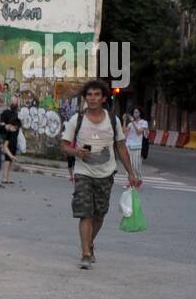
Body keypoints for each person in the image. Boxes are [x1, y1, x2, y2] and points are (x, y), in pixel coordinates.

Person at [60, 81, 142, 269]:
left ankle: (89, 242)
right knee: (85, 213)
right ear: (85, 98)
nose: (93, 98)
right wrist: (76, 152)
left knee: (99, 214)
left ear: (104, 98)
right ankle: (85, 253)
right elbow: (63, 145)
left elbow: (121, 146)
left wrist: (131, 172)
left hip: (106, 174)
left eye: (97, 94)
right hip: (83, 173)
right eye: (89, 95)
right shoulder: (76, 120)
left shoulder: (113, 121)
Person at [0, 109, 20, 185]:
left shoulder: (16, 130)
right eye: (15, 127)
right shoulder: (8, 131)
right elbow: (5, 145)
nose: (16, 129)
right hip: (9, 145)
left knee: (10, 162)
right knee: (7, 161)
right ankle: (4, 178)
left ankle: (7, 178)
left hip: (13, 145)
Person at [124, 109, 149, 178]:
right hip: (129, 145)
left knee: (136, 166)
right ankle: (129, 181)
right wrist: (124, 120)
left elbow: (138, 132)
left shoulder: (144, 122)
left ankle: (139, 178)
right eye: (134, 112)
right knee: (128, 165)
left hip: (138, 146)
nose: (135, 114)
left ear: (140, 113)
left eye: (137, 112)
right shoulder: (130, 124)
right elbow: (124, 133)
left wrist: (133, 122)